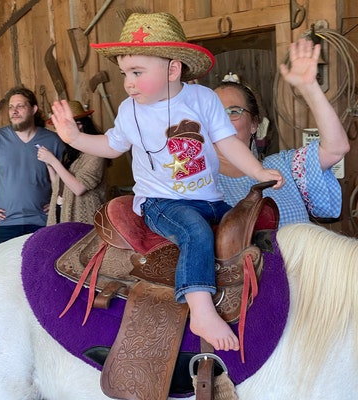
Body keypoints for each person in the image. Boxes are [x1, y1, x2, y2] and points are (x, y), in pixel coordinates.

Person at [50, 12, 284, 352]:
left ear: (173, 70)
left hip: (210, 198)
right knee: (195, 232)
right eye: (125, 74)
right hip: (162, 203)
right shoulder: (130, 110)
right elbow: (111, 146)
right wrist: (73, 138)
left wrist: (259, 172)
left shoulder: (202, 99)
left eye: (137, 72)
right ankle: (202, 308)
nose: (128, 82)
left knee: (242, 229)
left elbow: (228, 143)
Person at [214, 38, 350, 227]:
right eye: (213, 114)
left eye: (234, 112)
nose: (221, 122)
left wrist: (310, 88)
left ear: (254, 124)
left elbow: (336, 148)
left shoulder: (282, 166)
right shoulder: (198, 181)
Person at [0, 86, 64, 247]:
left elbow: (67, 175)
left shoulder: (53, 140)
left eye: (20, 106)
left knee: (38, 271)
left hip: (43, 222)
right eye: (11, 107)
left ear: (33, 109)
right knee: (2, 272)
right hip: (5, 224)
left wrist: (57, 203)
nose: (14, 111)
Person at [38, 101, 107, 225]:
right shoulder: (70, 152)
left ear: (79, 125)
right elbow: (57, 186)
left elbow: (79, 188)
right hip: (61, 213)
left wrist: (54, 161)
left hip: (84, 218)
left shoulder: (96, 153)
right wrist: (49, 164)